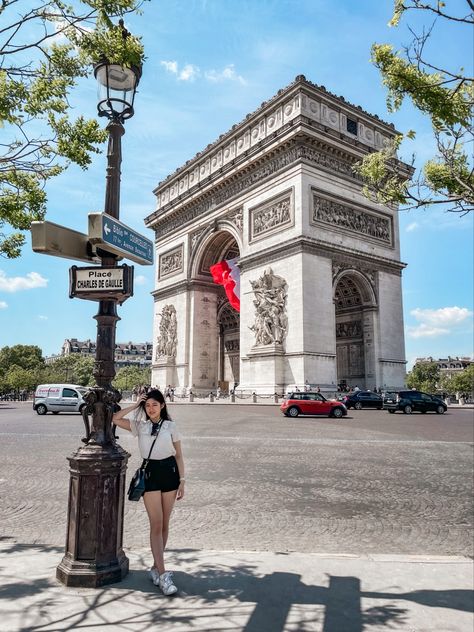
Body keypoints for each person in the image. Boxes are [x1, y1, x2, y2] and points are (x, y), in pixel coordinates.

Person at [113, 389, 185, 596]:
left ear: (163, 405)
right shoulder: (139, 426)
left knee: (164, 524)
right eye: (148, 405)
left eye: (155, 404)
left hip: (170, 473)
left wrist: (182, 481)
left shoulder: (171, 426)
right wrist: (136, 404)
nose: (151, 408)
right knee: (156, 523)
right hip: (151, 474)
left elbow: (179, 456)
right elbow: (115, 418)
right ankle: (163, 575)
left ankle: (155, 567)